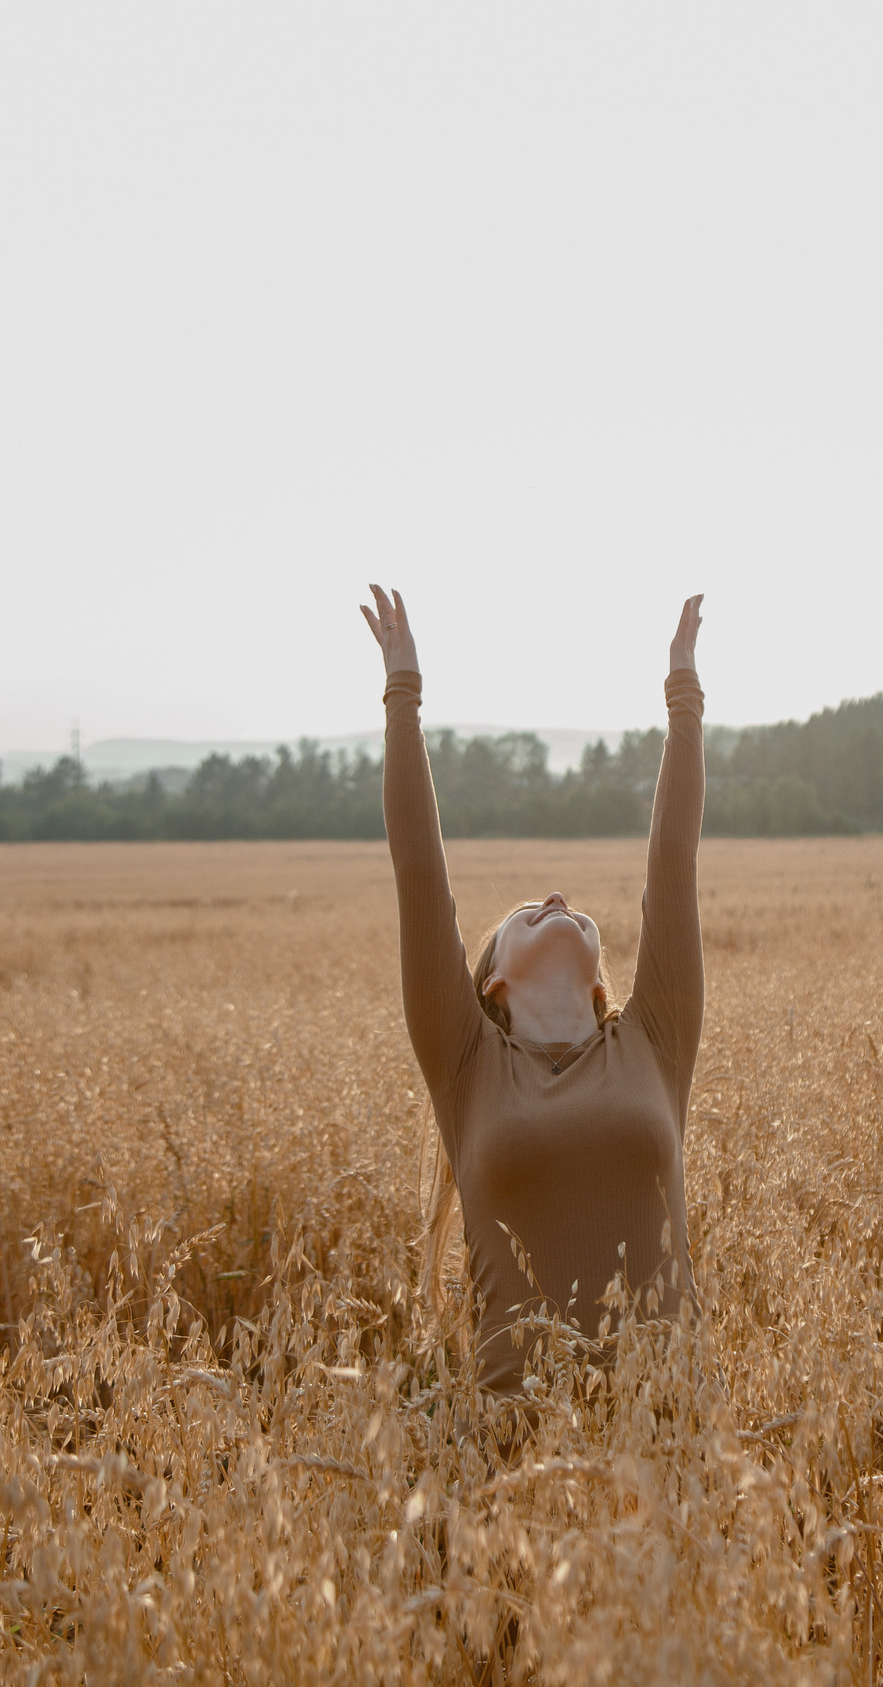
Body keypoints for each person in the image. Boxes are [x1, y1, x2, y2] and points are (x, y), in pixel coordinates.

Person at [361, 584, 707, 1397]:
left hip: (671, 1444)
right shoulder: (465, 1065)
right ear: (490, 979)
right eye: (527, 912)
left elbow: (675, 860)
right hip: (511, 1462)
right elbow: (420, 876)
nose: (555, 900)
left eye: (573, 910)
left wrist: (683, 696)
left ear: (599, 976)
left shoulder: (655, 1040)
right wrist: (402, 695)